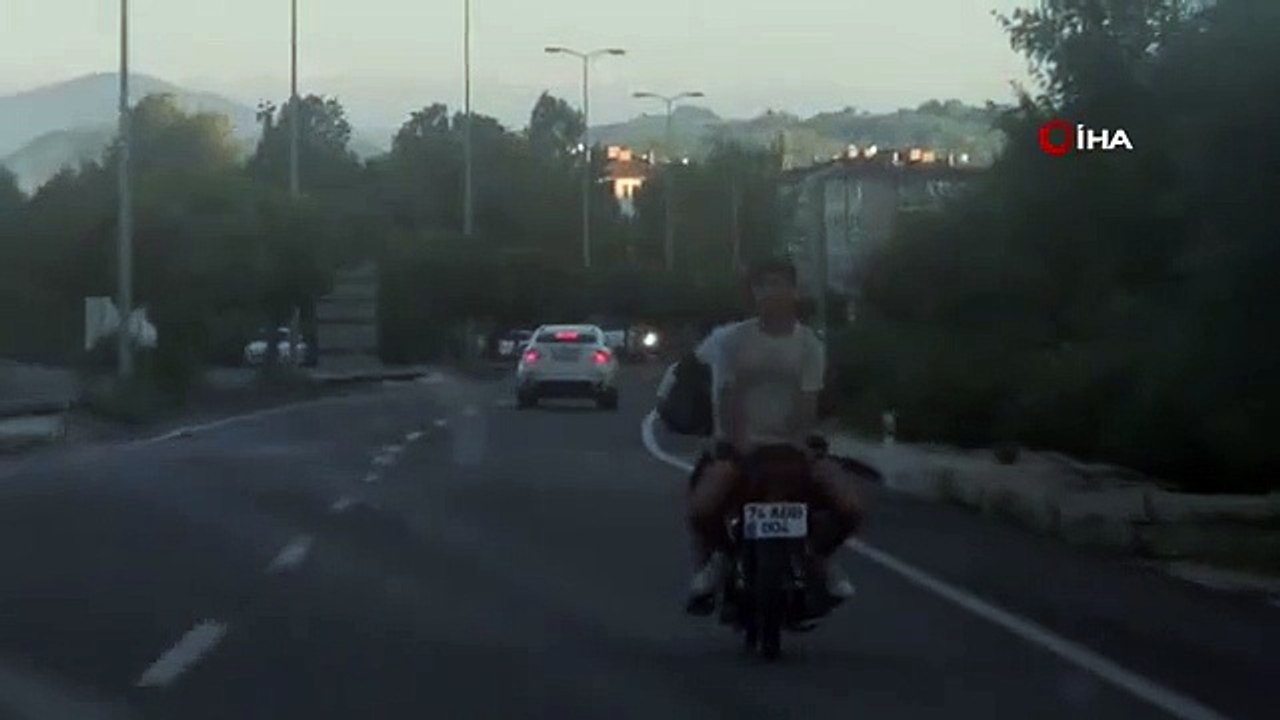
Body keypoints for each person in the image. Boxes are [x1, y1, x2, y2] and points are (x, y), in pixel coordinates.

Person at [685, 257, 863, 615]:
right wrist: (738, 441)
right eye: (764, 284)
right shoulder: (734, 340)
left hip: (792, 448)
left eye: (781, 284)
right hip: (739, 447)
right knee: (702, 508)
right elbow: (728, 393)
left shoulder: (809, 343)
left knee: (850, 506)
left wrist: (800, 441)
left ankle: (816, 558)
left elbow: (808, 399)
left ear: (794, 291)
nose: (773, 292)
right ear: (754, 292)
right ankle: (721, 559)